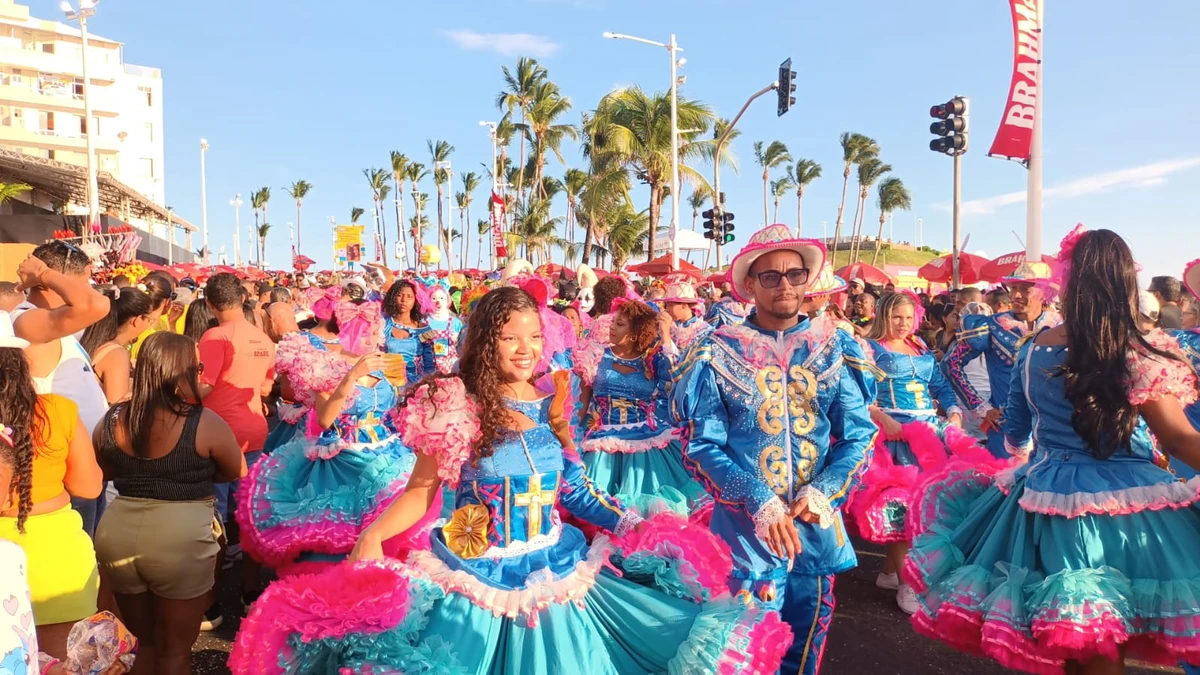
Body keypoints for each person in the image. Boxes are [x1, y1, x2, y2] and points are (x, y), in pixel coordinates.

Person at [229, 286, 791, 674]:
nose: (526, 350)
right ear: (484, 341)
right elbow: (422, 491)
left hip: (557, 567)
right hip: (475, 574)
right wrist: (372, 537)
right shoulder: (454, 402)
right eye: (510, 338)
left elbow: (569, 489)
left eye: (533, 338)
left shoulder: (550, 401)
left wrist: (630, 522)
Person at [907, 229, 1200, 675]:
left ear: (1069, 279)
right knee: (1106, 642)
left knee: (1072, 640)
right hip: (1133, 506)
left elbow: (1017, 434)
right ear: (1125, 280)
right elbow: (1178, 438)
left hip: (1044, 500)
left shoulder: (1033, 348)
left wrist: (1019, 458)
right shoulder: (1138, 347)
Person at [672, 225, 878, 675]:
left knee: (804, 650)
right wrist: (759, 499)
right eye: (770, 276)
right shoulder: (717, 350)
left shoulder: (833, 347)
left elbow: (859, 436)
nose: (785, 284)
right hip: (748, 536)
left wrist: (823, 490)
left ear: (808, 280)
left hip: (815, 532)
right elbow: (701, 445)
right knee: (745, 652)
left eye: (794, 273)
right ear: (749, 285)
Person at [236, 296, 429, 578]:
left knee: (391, 535)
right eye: (372, 332)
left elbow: (394, 409)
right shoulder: (326, 366)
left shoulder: (386, 363)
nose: (378, 338)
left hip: (389, 455)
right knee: (336, 544)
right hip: (341, 461)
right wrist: (352, 376)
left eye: (377, 332)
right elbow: (325, 419)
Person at [92, 332, 246, 671]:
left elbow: (104, 468)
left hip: (118, 529)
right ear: (182, 371)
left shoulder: (112, 419)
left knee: (144, 642)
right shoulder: (202, 421)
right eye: (198, 367)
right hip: (180, 535)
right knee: (175, 650)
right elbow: (236, 468)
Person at [844, 291, 993, 616]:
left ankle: (888, 573)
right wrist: (881, 417)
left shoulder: (921, 346)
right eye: (897, 317)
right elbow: (855, 393)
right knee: (906, 510)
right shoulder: (868, 348)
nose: (903, 323)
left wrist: (953, 410)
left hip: (928, 433)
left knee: (927, 509)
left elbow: (939, 384)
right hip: (893, 436)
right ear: (884, 315)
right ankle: (907, 583)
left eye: (908, 317)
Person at [0, 311, 103, 660]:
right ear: (20, 363)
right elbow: (89, 488)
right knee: (63, 666)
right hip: (59, 566)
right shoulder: (58, 411)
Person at [11, 242, 111, 537]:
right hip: (66, 474)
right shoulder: (27, 321)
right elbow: (97, 305)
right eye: (83, 283)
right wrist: (42, 272)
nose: (89, 290)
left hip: (83, 469)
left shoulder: (53, 322)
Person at [574, 299, 702, 514]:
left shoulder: (653, 360)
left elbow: (677, 378)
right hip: (602, 442)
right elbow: (581, 404)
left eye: (620, 324)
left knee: (653, 508)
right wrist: (570, 443)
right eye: (613, 322)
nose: (612, 327)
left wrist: (666, 335)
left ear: (635, 333)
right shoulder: (594, 356)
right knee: (598, 507)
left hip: (647, 441)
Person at [196, 273, 275, 611]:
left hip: (218, 434)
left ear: (210, 304)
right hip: (254, 430)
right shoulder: (263, 339)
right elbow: (267, 389)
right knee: (248, 513)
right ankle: (249, 591)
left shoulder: (215, 336)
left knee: (213, 518)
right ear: (243, 299)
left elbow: (205, 387)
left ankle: (211, 601)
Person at [942, 260, 1062, 458]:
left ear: (1045, 292)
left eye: (1025, 289)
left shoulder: (1060, 326)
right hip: (1005, 428)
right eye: (1013, 288)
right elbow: (951, 364)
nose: (1016, 295)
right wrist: (982, 408)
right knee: (1006, 486)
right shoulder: (992, 326)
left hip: (1051, 430)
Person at [79, 288, 155, 405]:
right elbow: (115, 410)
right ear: (137, 320)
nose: (148, 326)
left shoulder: (97, 340)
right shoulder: (117, 354)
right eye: (149, 320)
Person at [380, 280, 425, 384]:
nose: (404, 300)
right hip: (389, 383)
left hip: (417, 384)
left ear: (416, 300)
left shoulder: (423, 328)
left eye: (409, 296)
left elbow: (430, 361)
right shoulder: (382, 325)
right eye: (400, 295)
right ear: (392, 298)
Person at [660, 276, 711, 354]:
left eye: (670, 305)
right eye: (666, 306)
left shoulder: (704, 331)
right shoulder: (672, 327)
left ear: (684, 306)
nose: (667, 310)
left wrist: (665, 333)